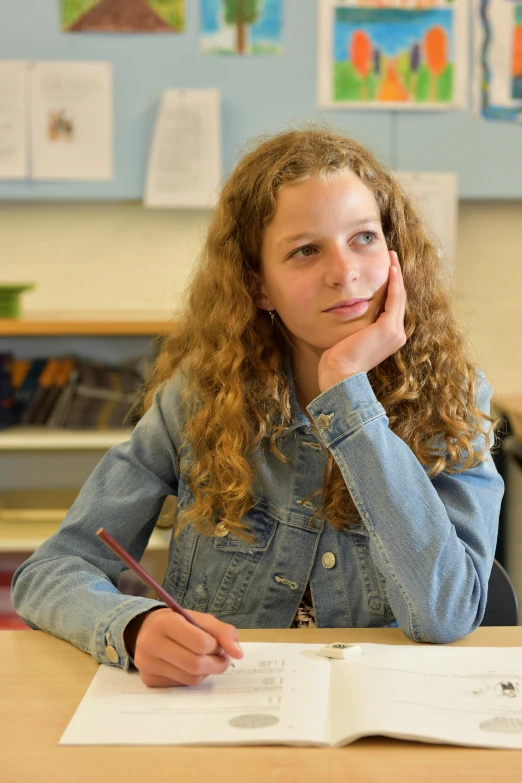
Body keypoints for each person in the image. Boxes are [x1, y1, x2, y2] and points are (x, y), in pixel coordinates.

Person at [12, 127, 504, 689]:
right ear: (258, 285)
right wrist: (131, 626)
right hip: (230, 713)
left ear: (395, 254)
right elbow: (49, 572)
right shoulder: (199, 400)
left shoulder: (453, 398)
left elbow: (445, 614)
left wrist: (346, 393)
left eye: (364, 237)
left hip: (381, 712)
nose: (344, 271)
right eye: (305, 250)